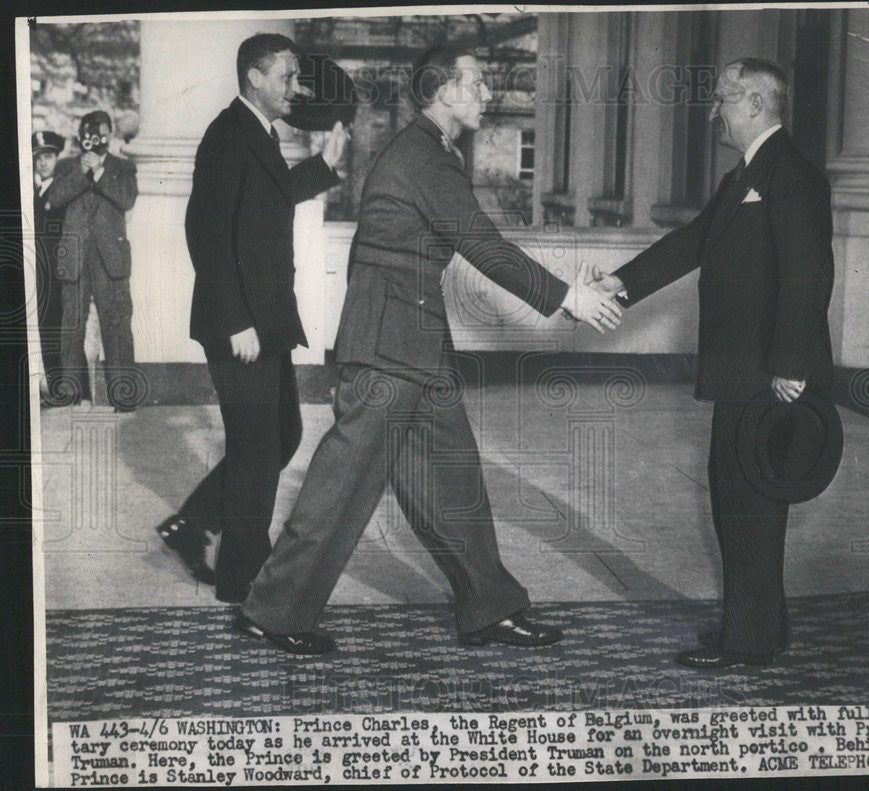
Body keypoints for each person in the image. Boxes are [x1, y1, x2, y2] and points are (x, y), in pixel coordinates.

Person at [237, 45, 622, 655]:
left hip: (414, 341)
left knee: (452, 479)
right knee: (340, 486)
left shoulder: (433, 151)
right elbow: (484, 246)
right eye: (476, 83)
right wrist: (566, 297)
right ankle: (272, 611)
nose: (487, 94)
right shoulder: (422, 158)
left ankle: (490, 607)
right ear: (443, 91)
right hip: (389, 344)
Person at [591, 58, 834, 668]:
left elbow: (810, 276)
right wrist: (618, 283)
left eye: (723, 99)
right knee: (737, 499)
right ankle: (760, 629)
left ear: (755, 103)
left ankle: (748, 642)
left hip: (769, 375)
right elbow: (692, 242)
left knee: (749, 504)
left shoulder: (792, 174)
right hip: (743, 369)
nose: (713, 112)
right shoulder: (745, 175)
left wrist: (788, 365)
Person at [155, 33, 349, 603]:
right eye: (287, 77)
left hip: (267, 318)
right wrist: (236, 319)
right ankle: (244, 579)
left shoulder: (255, 133)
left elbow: (271, 197)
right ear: (255, 78)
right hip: (241, 321)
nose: (297, 88)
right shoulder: (225, 135)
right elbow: (206, 233)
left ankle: (191, 523)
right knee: (258, 450)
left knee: (279, 435)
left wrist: (324, 166)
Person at [47, 111, 138, 410]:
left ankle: (123, 397)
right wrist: (82, 173)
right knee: (71, 323)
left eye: (99, 134)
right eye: (88, 134)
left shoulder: (122, 168)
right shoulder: (65, 167)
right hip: (74, 257)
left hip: (109, 259)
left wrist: (99, 173)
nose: (94, 140)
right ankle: (71, 395)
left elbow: (126, 199)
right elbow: (55, 199)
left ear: (110, 134)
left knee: (116, 323)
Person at [31, 130, 66, 400]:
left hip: (54, 272)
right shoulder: (31, 190)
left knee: (52, 326)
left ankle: (57, 386)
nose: (43, 163)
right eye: (38, 157)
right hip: (33, 269)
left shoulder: (61, 191)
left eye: (49, 157)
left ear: (57, 158)